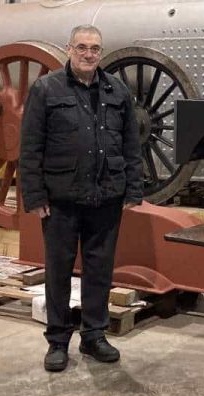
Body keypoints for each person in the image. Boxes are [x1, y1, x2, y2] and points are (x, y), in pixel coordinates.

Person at [20, 24, 143, 372]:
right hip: (60, 200)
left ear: (101, 53)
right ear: (69, 49)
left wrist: (133, 189)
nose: (89, 54)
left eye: (95, 48)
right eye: (82, 47)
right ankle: (58, 341)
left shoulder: (117, 90)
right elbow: (30, 147)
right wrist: (34, 194)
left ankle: (94, 336)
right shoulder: (46, 89)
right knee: (58, 272)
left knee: (100, 271)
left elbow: (132, 145)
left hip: (106, 198)